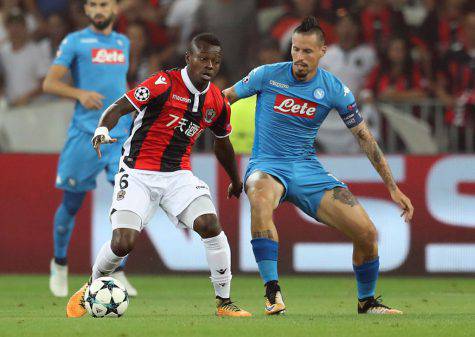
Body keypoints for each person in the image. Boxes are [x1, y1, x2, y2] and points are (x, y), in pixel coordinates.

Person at [223, 16, 414, 315]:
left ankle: (367, 301)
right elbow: (224, 99)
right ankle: (272, 292)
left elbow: (364, 138)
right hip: (267, 165)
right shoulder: (266, 75)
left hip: (306, 169)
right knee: (259, 196)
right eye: (295, 50)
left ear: (323, 51)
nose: (299, 57)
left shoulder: (334, 88)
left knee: (367, 234)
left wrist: (392, 187)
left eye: (307, 52)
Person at [65, 33, 252, 318]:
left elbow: (222, 141)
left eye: (215, 60)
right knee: (123, 243)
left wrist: (235, 179)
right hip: (138, 173)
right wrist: (102, 129)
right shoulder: (163, 83)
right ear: (188, 58)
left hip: (178, 175)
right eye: (203, 58)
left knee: (210, 224)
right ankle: (91, 286)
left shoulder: (216, 101)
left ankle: (224, 302)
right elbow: (118, 107)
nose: (210, 65)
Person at [42, 0, 136, 298]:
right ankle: (59, 264)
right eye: (92, 4)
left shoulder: (123, 42)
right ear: (86, 10)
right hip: (85, 134)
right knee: (71, 204)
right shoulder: (75, 41)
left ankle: (117, 270)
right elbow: (49, 83)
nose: (98, 9)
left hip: (118, 136)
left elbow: (118, 83)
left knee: (126, 203)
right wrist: (79, 93)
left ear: (114, 9)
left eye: (103, 4)